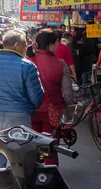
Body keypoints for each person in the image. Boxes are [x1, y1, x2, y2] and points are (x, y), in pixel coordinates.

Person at [0, 29, 44, 189]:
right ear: (16, 45)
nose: (27, 47)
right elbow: (37, 98)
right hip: (17, 120)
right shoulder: (27, 66)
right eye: (25, 44)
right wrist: (28, 109)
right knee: (20, 165)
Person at [26, 30, 74, 166]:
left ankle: (32, 172)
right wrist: (70, 108)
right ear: (51, 45)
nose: (58, 45)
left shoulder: (26, 61)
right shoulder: (61, 64)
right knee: (49, 146)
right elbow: (68, 94)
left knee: (32, 144)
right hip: (53, 112)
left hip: (30, 111)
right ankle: (51, 174)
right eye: (57, 42)